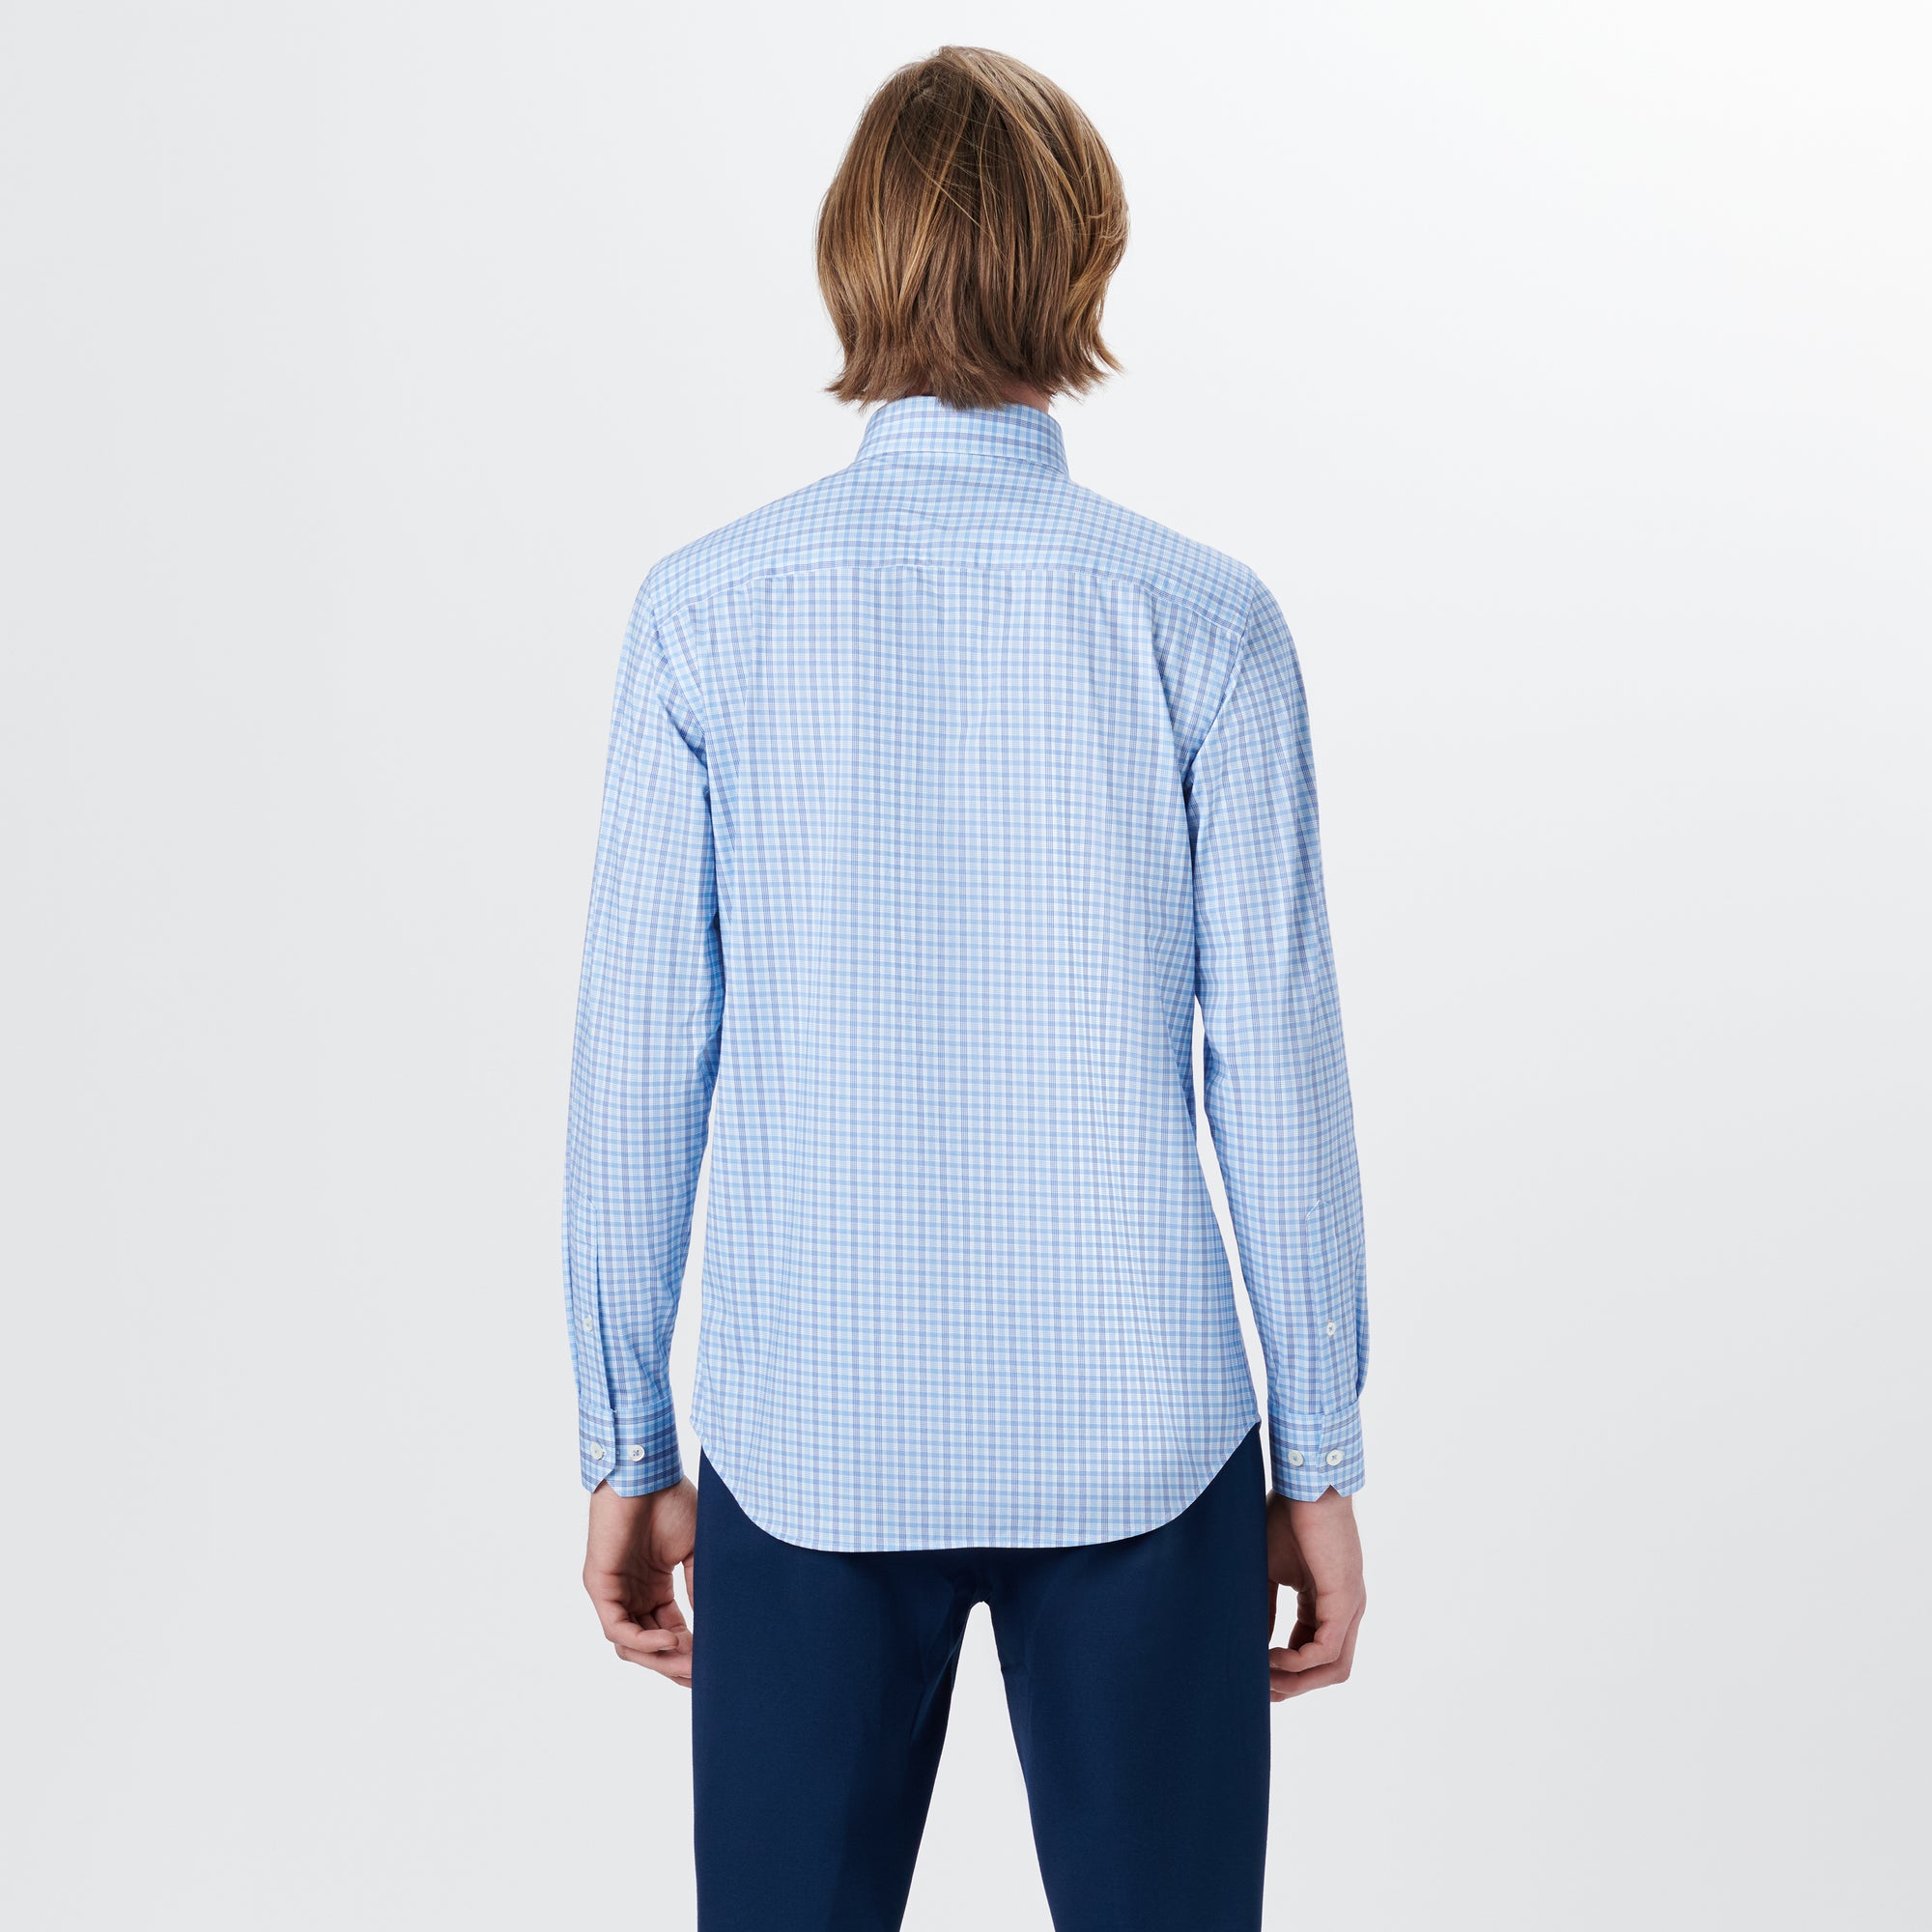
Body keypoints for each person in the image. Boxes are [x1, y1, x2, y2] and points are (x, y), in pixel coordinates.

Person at [562, 43, 1369, 1932]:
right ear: (1084, 260)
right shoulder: (1205, 623)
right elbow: (1277, 1073)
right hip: (1147, 1442)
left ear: (848, 258)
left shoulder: (705, 617)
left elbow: (639, 1068)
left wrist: (625, 1441)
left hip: (807, 1441)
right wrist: (1319, 1455)